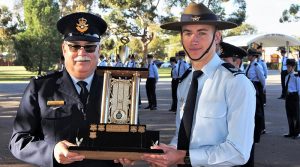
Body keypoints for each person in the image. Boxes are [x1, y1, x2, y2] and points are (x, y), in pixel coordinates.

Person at [116, 3, 256, 166]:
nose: (193, 40)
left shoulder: (235, 82)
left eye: (202, 33)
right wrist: (165, 152)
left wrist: (183, 157)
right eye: (187, 33)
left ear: (217, 37)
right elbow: (184, 135)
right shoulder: (186, 82)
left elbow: (238, 152)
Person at [9, 12, 121, 167]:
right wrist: (51, 151)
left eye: (89, 47)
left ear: (98, 51)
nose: (82, 53)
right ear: (64, 49)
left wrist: (131, 153)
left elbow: (134, 135)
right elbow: (18, 141)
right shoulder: (40, 88)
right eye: (74, 46)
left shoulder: (118, 87)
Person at [219, 42, 256, 167]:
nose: (220, 64)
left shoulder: (243, 84)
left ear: (237, 62)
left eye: (225, 60)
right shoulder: (220, 81)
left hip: (239, 145)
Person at [245, 48, 265, 141]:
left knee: (258, 109)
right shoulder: (250, 65)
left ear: (253, 56)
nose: (248, 56)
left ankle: (260, 128)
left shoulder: (257, 65)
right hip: (250, 85)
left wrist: (263, 89)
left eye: (249, 55)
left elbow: (262, 78)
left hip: (256, 86)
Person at [284, 59, 300, 139]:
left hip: (294, 96)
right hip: (288, 97)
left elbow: (299, 88)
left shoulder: (296, 76)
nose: (288, 68)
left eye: (289, 67)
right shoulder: (287, 76)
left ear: (293, 67)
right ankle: (291, 132)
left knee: (296, 115)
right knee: (289, 115)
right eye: (287, 67)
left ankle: (297, 133)